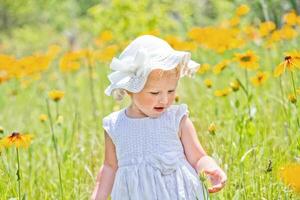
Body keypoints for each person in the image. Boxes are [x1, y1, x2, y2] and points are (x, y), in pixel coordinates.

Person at [91, 35, 227, 200]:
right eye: (155, 93)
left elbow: (198, 157)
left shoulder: (177, 119)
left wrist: (210, 168)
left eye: (171, 91)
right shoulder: (116, 126)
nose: (164, 99)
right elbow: (110, 167)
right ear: (130, 89)